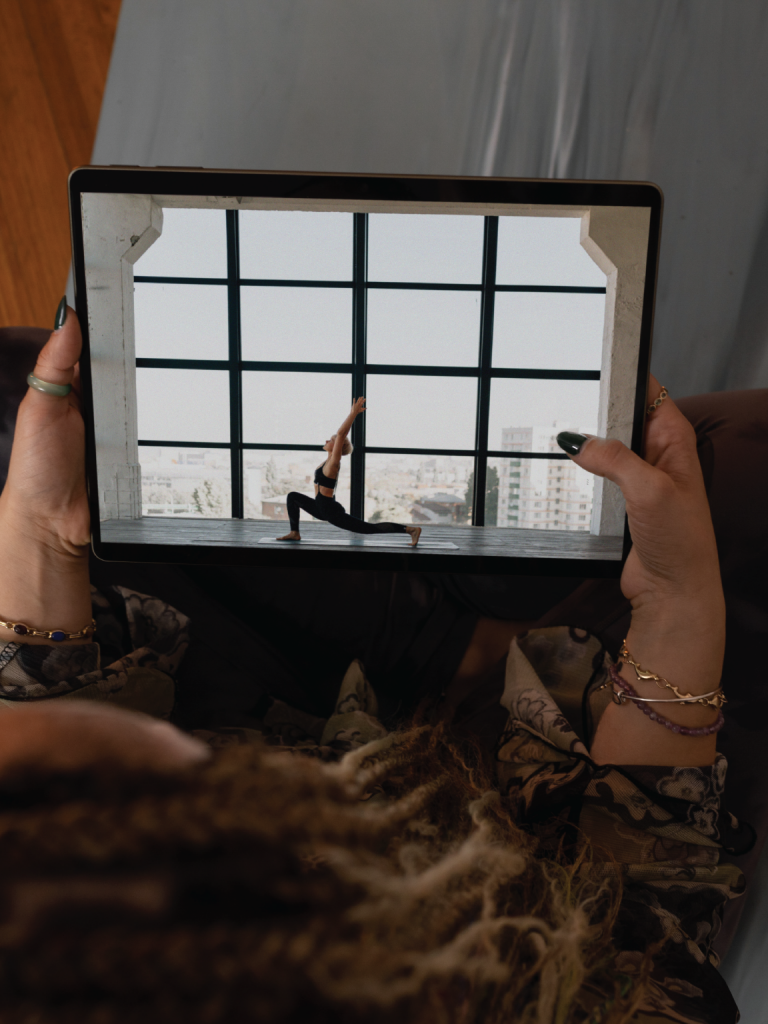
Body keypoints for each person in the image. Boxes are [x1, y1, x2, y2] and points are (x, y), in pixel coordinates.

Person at [0, 301, 757, 1022]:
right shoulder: (475, 984)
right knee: (730, 457)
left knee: (15, 394)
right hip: (532, 828)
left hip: (343, 736)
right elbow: (643, 930)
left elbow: (44, 707)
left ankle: (458, 644)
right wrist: (677, 602)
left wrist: (42, 531)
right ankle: (476, 651)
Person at [277, 396, 421, 546]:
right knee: (292, 496)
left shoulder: (333, 464)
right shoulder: (325, 462)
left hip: (330, 511)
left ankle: (411, 530)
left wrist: (353, 414)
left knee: (368, 528)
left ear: (337, 446)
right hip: (320, 508)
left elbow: (341, 434)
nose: (327, 441)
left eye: (331, 441)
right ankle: (295, 533)